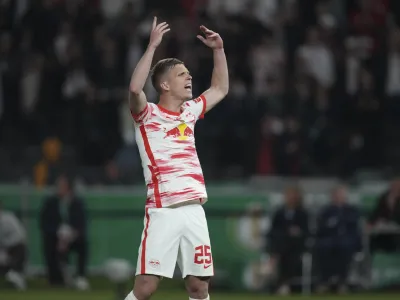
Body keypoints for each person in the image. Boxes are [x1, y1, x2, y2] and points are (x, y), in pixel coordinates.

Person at [124, 17, 229, 300]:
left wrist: (218, 50)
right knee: (145, 288)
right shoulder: (147, 115)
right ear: (165, 85)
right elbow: (135, 90)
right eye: (182, 74)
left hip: (194, 210)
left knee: (199, 287)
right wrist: (152, 47)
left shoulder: (189, 112)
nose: (190, 77)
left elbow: (220, 89)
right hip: (163, 209)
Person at [39, 174, 89, 290]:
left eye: (63, 186)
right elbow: (44, 223)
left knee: (83, 243)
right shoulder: (50, 203)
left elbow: (81, 224)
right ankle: (55, 278)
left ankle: (81, 276)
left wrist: (71, 234)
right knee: (48, 243)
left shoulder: (77, 203)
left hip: (72, 237)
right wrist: (58, 233)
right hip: (55, 237)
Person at [315, 185, 361, 294]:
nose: (338, 197)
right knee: (323, 247)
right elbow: (321, 228)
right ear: (332, 196)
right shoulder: (326, 211)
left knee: (345, 247)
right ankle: (324, 281)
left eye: (341, 194)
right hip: (329, 240)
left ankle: (342, 281)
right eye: (336, 195)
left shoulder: (352, 210)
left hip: (347, 240)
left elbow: (354, 227)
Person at [265, 186, 309, 295]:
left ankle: (274, 262)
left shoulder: (303, 213)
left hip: (296, 245)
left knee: (289, 255)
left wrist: (297, 232)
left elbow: (307, 231)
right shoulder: (279, 213)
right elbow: (273, 229)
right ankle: (282, 282)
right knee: (281, 241)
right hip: (281, 243)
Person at [367, 179, 400, 253]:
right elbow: (376, 212)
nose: (395, 187)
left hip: (397, 228)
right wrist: (370, 223)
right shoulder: (384, 197)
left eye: (397, 186)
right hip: (385, 227)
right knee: (372, 238)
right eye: (393, 185)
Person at [0, 201, 27, 290]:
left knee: (20, 249)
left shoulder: (9, 218)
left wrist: (6, 250)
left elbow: (20, 235)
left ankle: (16, 275)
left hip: (15, 247)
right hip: (4, 249)